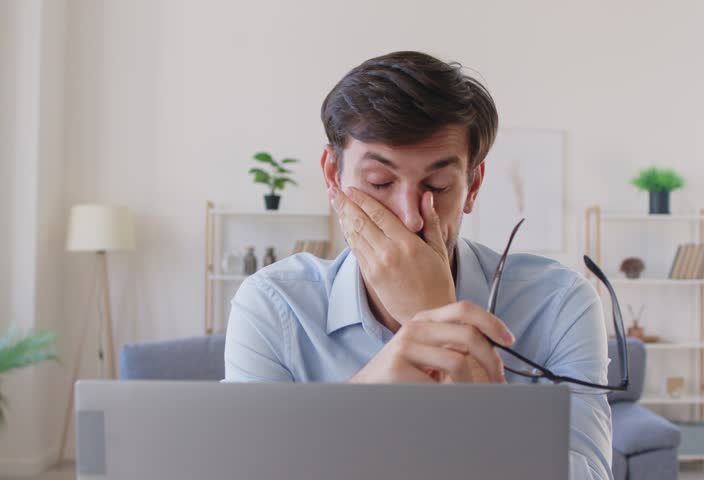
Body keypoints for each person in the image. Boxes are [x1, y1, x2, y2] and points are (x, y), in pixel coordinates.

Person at [224, 50, 612, 479]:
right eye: (380, 183)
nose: (409, 216)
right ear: (333, 177)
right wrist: (365, 402)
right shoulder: (273, 305)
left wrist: (437, 327)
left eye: (437, 185)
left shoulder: (559, 302)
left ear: (472, 185)